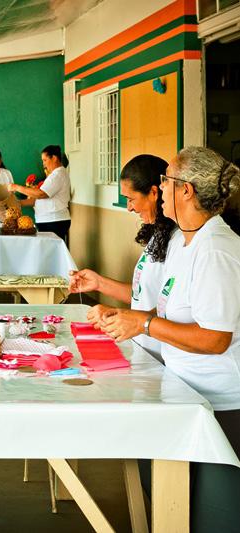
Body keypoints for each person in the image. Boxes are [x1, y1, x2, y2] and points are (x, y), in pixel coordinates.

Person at [98, 147, 240, 532]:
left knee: (212, 518)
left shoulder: (216, 250)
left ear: (187, 190)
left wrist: (142, 325)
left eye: (166, 180)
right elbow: (163, 311)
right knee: (172, 503)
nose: (160, 187)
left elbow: (214, 339)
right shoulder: (182, 239)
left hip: (219, 404)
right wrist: (129, 317)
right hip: (185, 389)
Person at [69, 155, 175, 361]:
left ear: (154, 192)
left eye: (131, 199)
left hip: (162, 355)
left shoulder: (178, 242)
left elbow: (171, 308)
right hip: (144, 348)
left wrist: (120, 314)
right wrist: (98, 283)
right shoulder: (158, 236)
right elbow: (142, 294)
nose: (129, 207)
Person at [9, 145, 71, 242]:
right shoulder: (53, 175)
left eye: (45, 160)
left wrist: (17, 187)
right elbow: (36, 200)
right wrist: (16, 203)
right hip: (48, 220)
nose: (43, 164)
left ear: (54, 158)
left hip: (54, 221)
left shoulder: (58, 175)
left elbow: (41, 194)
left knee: (51, 254)